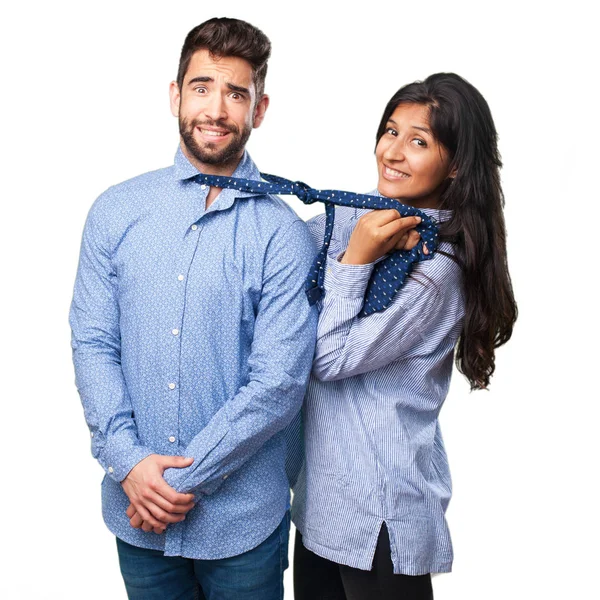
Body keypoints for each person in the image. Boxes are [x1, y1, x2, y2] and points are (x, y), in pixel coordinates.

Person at [69, 17, 317, 600]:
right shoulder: (116, 211)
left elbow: (278, 383)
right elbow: (93, 343)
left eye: (237, 93)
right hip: (138, 520)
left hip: (242, 526)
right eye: (203, 87)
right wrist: (130, 466)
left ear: (259, 109)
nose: (217, 108)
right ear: (176, 95)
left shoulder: (284, 234)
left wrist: (175, 483)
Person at [291, 73, 518, 600]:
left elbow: (328, 356)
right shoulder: (357, 214)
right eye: (390, 131)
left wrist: (357, 261)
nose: (392, 152)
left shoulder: (437, 271)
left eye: (419, 141)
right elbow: (279, 262)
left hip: (380, 513)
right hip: (320, 504)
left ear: (456, 164)